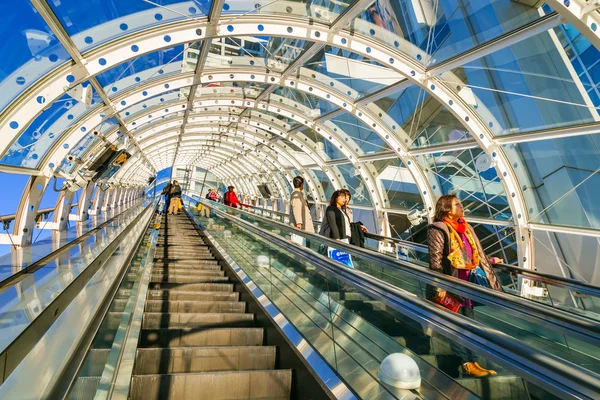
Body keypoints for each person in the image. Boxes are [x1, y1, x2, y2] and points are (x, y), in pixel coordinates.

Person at [428, 194, 504, 377]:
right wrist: (440, 286)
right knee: (456, 325)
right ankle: (466, 363)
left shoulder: (466, 228)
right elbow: (435, 262)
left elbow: (476, 252)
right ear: (446, 208)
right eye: (457, 204)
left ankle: (474, 361)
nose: (462, 207)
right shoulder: (438, 229)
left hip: (467, 285)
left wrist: (491, 261)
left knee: (470, 324)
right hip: (451, 286)